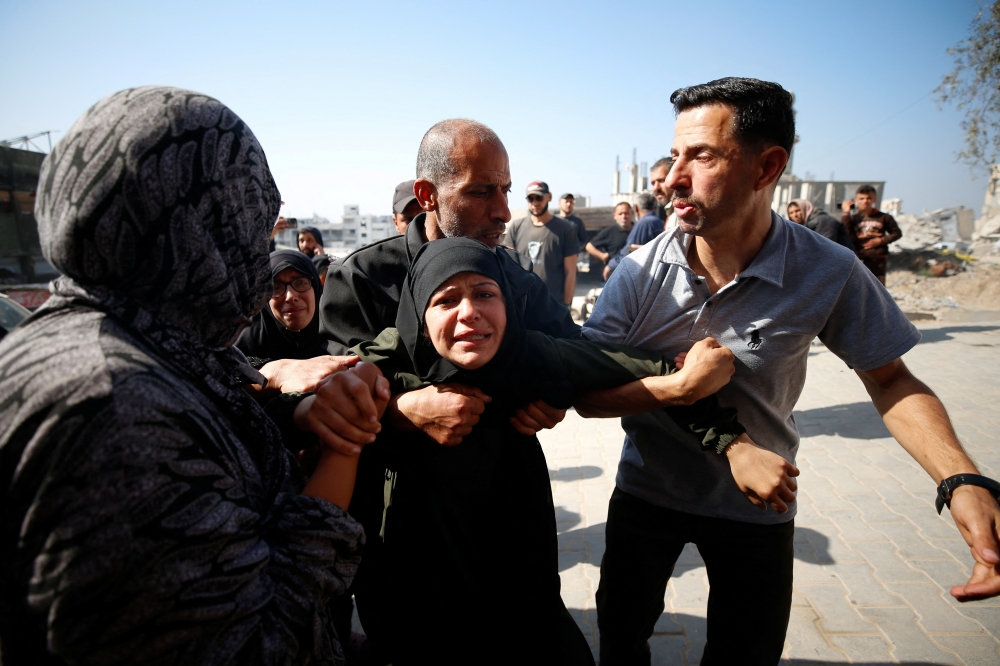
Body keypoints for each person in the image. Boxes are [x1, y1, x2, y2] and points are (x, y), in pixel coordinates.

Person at [579, 77, 1000, 666]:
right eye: (674, 155)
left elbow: (892, 380)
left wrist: (961, 478)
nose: (673, 177)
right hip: (646, 496)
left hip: (760, 507)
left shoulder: (827, 270)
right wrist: (679, 389)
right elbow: (588, 394)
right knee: (621, 642)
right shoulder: (639, 272)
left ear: (767, 167)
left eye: (702, 156)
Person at [0, 86, 391, 665]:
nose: (259, 258)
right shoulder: (115, 404)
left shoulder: (123, 338)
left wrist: (301, 410)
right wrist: (341, 451)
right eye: (253, 229)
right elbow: (250, 647)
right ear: (198, 231)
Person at [348, 237, 753, 665]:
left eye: (485, 294)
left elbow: (646, 368)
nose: (468, 312)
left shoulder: (531, 353)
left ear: (508, 305)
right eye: (446, 300)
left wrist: (731, 442)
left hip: (513, 528)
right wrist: (400, 404)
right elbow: (322, 392)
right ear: (418, 312)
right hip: (415, 546)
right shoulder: (388, 358)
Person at [318, 118, 580, 443]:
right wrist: (399, 410)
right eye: (480, 192)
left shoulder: (516, 272)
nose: (503, 212)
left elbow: (574, 351)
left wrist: (557, 395)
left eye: (505, 191)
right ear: (427, 195)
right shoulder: (361, 277)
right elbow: (334, 391)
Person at [505, 181, 580, 306]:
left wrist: (566, 305)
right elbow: (509, 267)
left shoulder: (565, 229)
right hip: (523, 303)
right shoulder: (516, 227)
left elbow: (570, 272)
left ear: (549, 197)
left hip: (553, 304)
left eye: (539, 198)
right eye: (531, 199)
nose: (535, 203)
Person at [842, 184, 902, 285]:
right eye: (861, 198)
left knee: (876, 287)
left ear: (874, 200)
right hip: (858, 258)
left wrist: (881, 240)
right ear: (856, 200)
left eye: (869, 198)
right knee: (857, 287)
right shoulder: (852, 219)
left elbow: (897, 233)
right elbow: (846, 234)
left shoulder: (884, 217)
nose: (865, 201)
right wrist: (846, 214)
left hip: (877, 259)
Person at [606, 192, 661, 278]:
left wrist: (610, 265)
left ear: (636, 208)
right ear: (655, 207)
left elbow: (629, 253)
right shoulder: (659, 222)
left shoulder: (643, 224)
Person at [586, 201, 633, 277]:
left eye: (626, 213)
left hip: (634, 274)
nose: (624, 216)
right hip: (614, 275)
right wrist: (602, 256)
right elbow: (589, 246)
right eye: (620, 214)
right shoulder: (610, 231)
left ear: (632, 213)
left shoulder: (638, 229)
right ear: (615, 216)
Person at [786, 198, 853, 249]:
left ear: (805, 209)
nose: (795, 215)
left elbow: (825, 248)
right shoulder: (807, 224)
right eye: (791, 213)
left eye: (797, 211)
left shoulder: (823, 221)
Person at [649, 156, 677, 226]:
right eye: (653, 183)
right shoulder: (670, 212)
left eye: (661, 181)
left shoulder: (684, 214)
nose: (656, 188)